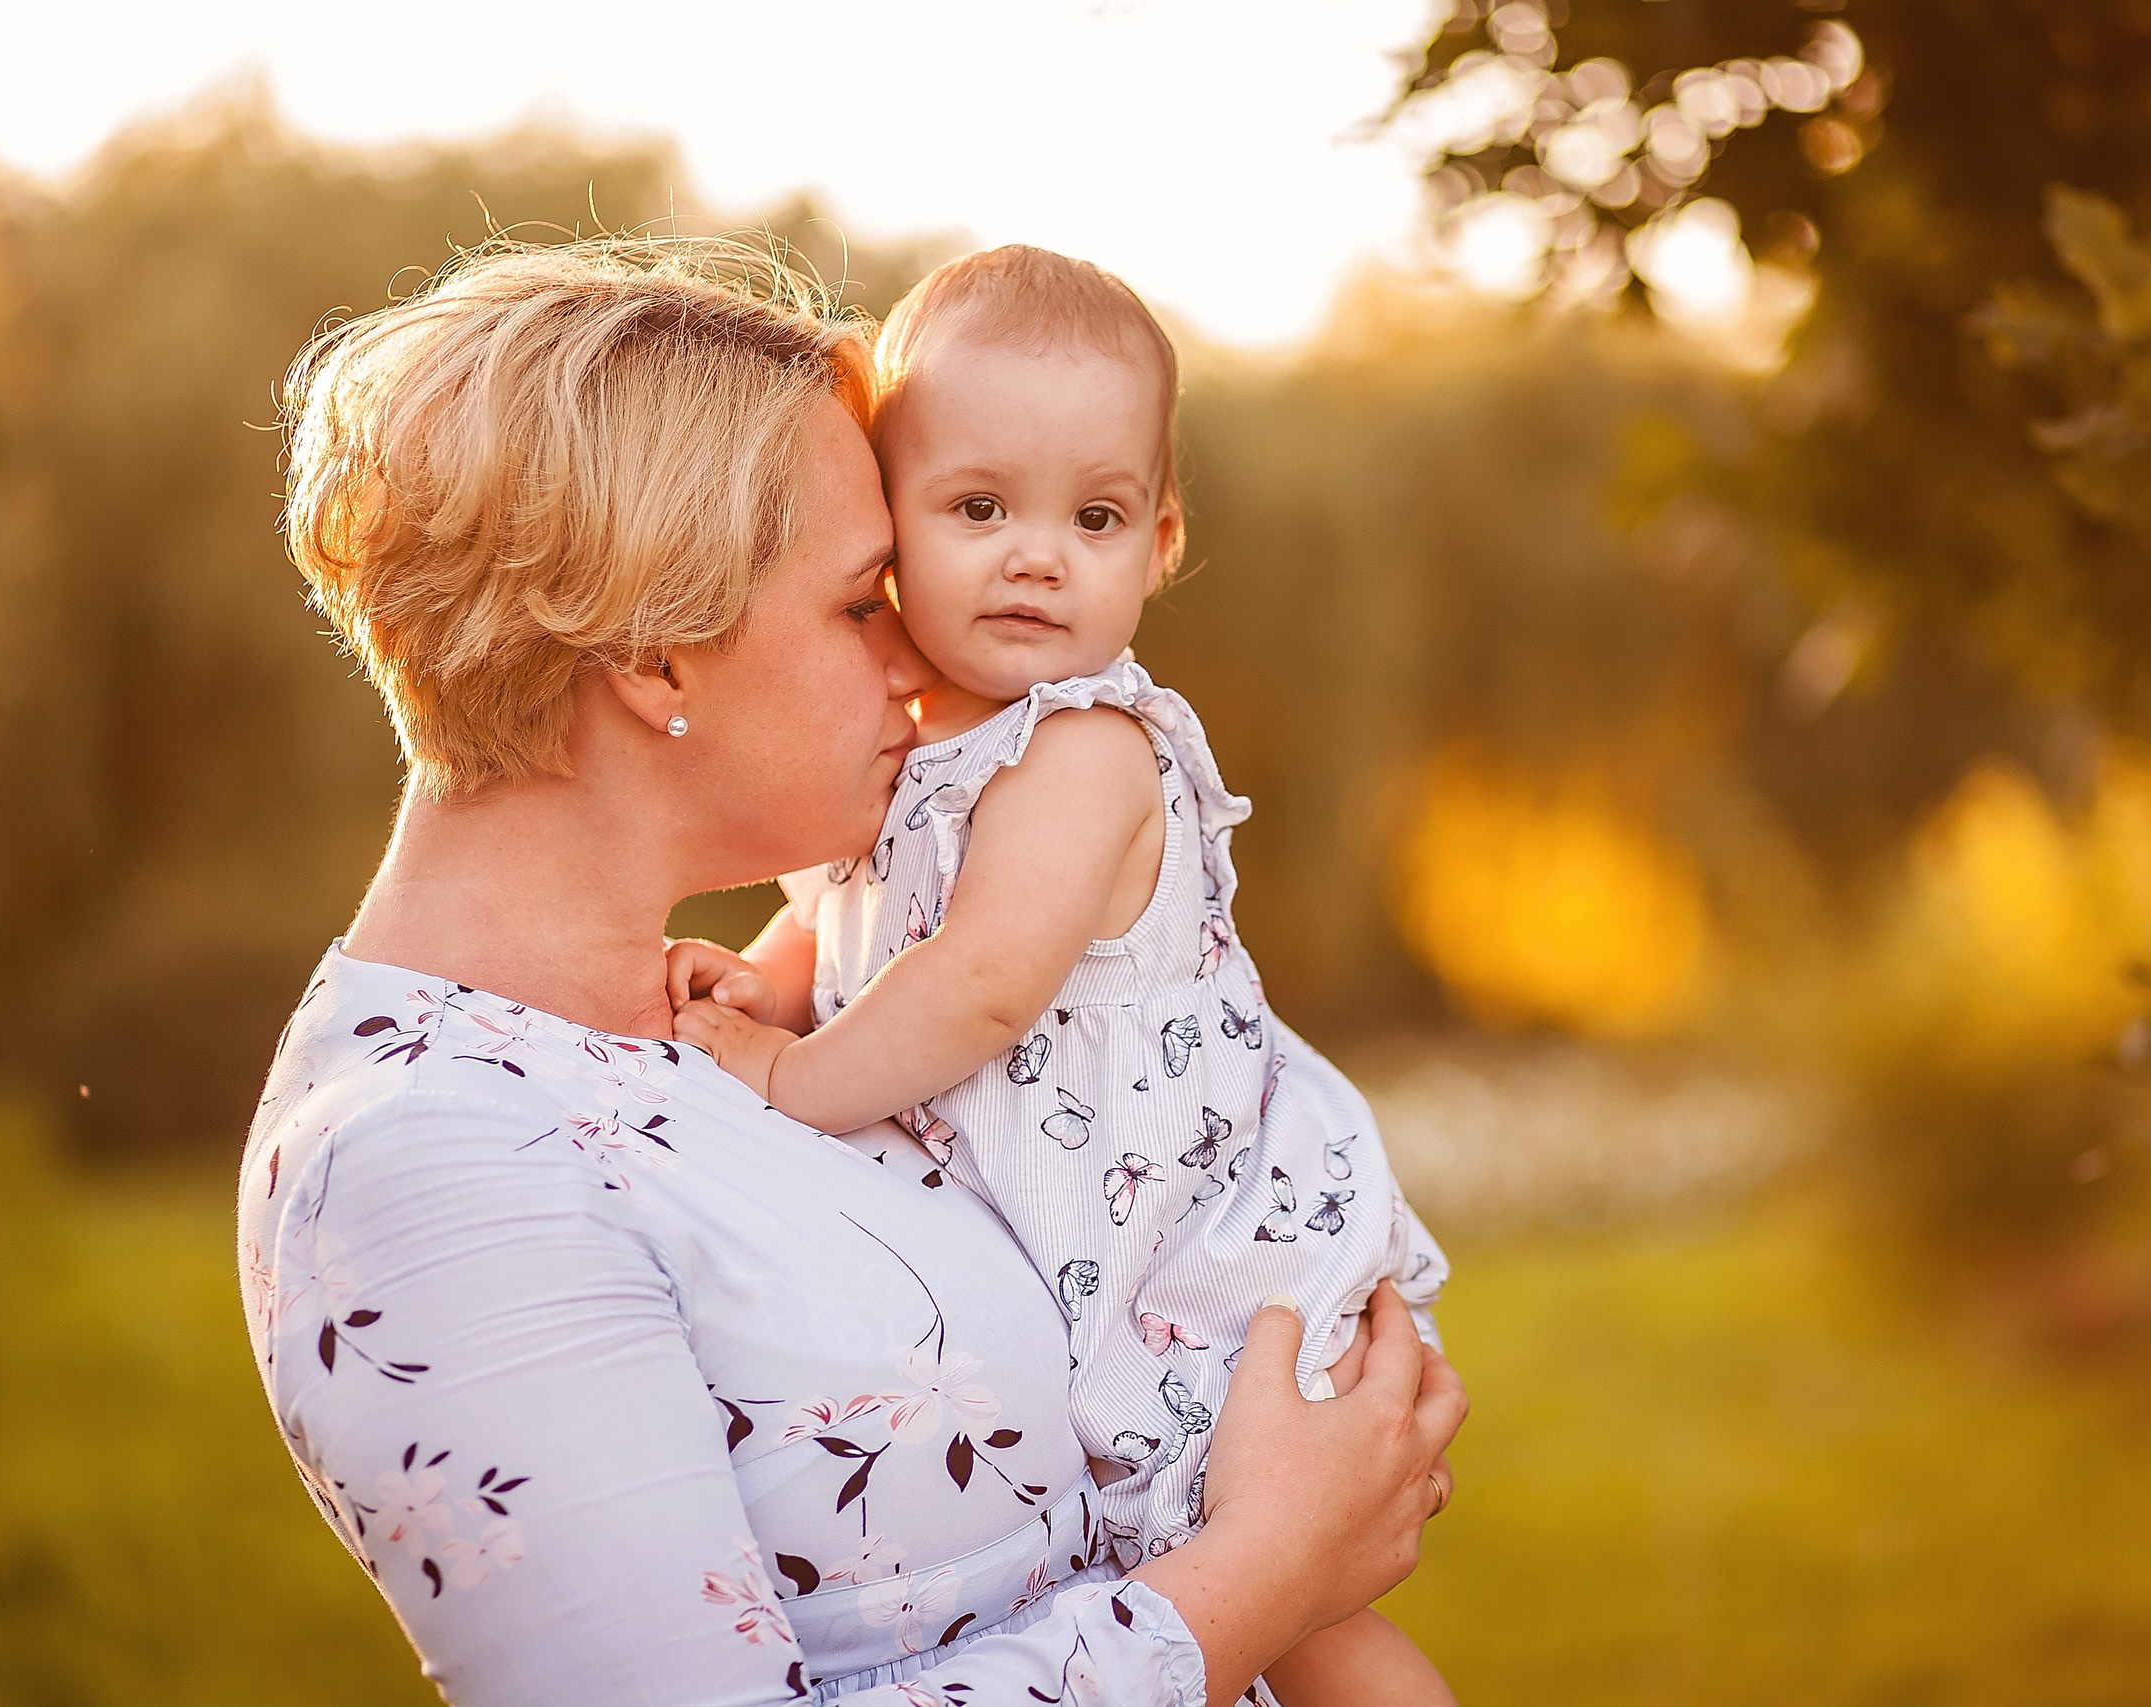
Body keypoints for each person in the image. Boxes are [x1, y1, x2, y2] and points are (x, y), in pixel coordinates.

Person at [238, 237, 1466, 1707]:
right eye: (860, 595)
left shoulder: (723, 1014)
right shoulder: (428, 1159)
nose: (918, 654)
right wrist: (1270, 1568)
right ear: (653, 656)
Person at [667, 247, 1452, 1705]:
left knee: (1293, 1592)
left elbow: (977, 985)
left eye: (1092, 517)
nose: (1038, 555)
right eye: (980, 509)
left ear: (1157, 545)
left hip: (1196, 1244)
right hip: (1088, 1224)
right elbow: (858, 923)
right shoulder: (907, 740)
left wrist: (788, 1074)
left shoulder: (1085, 751)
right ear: (885, 523)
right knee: (1193, 1593)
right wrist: (774, 982)